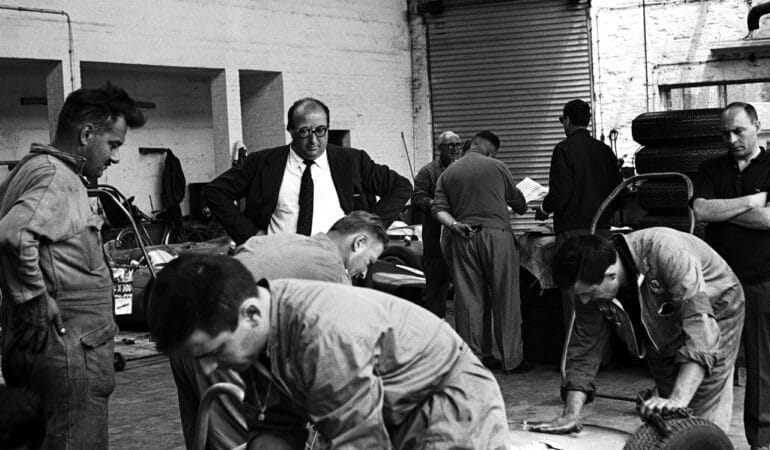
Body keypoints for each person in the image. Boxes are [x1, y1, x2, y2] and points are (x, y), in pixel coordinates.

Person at [149, 254, 510, 448]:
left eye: (213, 352)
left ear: (251, 314)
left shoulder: (325, 338)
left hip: (449, 404)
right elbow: (276, 423)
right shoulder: (252, 331)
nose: (211, 370)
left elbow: (359, 443)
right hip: (389, 409)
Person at [0, 83, 146, 448]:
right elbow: (14, 236)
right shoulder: (57, 179)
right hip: (67, 351)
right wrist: (33, 298)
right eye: (113, 144)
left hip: (45, 346)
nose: (114, 158)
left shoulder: (31, 169)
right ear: (86, 134)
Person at [168, 211, 389, 449]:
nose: (365, 272)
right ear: (359, 243)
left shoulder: (282, 240)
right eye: (370, 262)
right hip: (222, 341)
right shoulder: (333, 272)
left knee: (203, 438)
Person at [529, 228, 744, 434]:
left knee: (698, 404)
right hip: (662, 320)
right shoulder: (590, 284)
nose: (584, 300)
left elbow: (701, 331)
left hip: (716, 309)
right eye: (580, 295)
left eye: (589, 293)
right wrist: (571, 415)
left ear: (611, 275)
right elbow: (586, 347)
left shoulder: (668, 253)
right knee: (669, 414)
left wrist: (678, 399)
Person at [693, 102, 770, 450]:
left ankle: (760, 442)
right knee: (709, 359)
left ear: (756, 125)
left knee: (759, 364)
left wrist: (724, 211)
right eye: (726, 133)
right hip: (717, 279)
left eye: (739, 130)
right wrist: (752, 201)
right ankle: (705, 435)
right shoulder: (710, 168)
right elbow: (702, 209)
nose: (732, 138)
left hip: (761, 278)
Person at [203, 97, 412, 245]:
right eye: (304, 131)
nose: (314, 140)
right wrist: (251, 235)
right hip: (278, 261)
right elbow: (215, 192)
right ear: (291, 130)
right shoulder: (262, 162)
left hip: (333, 263)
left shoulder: (352, 161)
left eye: (321, 131)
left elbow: (401, 187)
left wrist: (368, 229)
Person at [432, 130, 533, 373]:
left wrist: (455, 226)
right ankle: (511, 360)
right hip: (496, 237)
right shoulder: (497, 167)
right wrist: (523, 205)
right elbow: (517, 201)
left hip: (463, 236)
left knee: (468, 301)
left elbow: (438, 210)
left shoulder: (448, 174)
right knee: (505, 298)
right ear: (490, 151)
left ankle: (476, 360)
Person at [535, 99, 623, 243]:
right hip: (602, 231)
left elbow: (561, 192)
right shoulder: (605, 150)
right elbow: (619, 195)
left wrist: (544, 209)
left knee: (573, 265)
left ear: (567, 120)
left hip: (572, 233)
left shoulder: (563, 149)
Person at [411, 131, 463, 317]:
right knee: (436, 288)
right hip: (436, 239)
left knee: (465, 288)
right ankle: (435, 327)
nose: (456, 148)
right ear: (440, 148)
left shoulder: (465, 168)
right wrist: (438, 206)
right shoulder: (428, 172)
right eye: (451, 145)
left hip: (461, 237)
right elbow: (418, 198)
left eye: (458, 144)